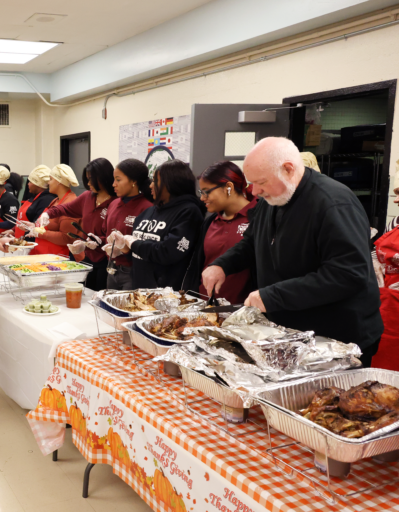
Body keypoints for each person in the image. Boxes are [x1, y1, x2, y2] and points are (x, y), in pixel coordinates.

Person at [202, 137, 383, 366]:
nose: (255, 192)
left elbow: (348, 274)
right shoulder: (273, 198)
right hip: (292, 330)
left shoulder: (333, 203)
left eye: (261, 182)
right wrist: (222, 265)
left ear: (288, 169)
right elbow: (251, 242)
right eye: (252, 183)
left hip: (338, 339)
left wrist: (272, 295)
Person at [111, 160, 203, 289]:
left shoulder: (189, 212)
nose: (150, 186)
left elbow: (168, 251)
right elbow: (139, 253)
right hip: (140, 290)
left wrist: (133, 243)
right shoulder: (148, 212)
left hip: (167, 295)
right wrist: (124, 248)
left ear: (170, 183)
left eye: (155, 181)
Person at [182, 162, 258, 303]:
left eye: (206, 191)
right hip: (205, 307)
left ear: (228, 187)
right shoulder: (210, 222)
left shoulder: (258, 217)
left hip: (244, 310)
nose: (202, 198)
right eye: (201, 192)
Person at [59, 158, 117, 291]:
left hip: (107, 261)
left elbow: (116, 234)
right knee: (86, 294)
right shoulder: (87, 197)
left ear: (103, 177)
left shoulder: (116, 201)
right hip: (88, 257)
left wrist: (99, 241)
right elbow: (65, 208)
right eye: (87, 179)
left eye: (92, 179)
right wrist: (47, 214)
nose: (88, 183)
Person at [96, 159, 154, 290]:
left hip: (132, 272)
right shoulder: (113, 204)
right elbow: (107, 236)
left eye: (118, 180)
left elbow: (148, 247)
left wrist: (124, 249)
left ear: (133, 181)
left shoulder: (147, 208)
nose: (113, 184)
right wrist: (97, 241)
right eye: (113, 180)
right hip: (111, 268)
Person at [30, 164, 80, 256]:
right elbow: (50, 225)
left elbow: (67, 237)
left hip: (59, 258)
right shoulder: (55, 200)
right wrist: (34, 226)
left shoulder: (70, 203)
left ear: (58, 181)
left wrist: (39, 233)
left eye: (51, 179)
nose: (48, 183)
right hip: (45, 254)